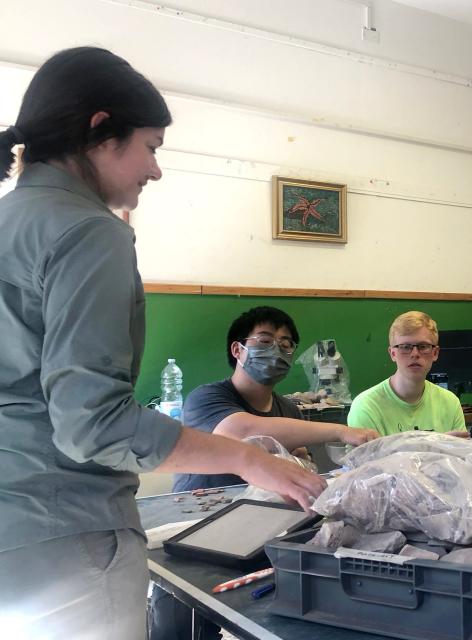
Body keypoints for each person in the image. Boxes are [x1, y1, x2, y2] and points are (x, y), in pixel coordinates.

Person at [0, 47, 326, 640]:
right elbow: (94, 426)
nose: (155, 171)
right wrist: (251, 460)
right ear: (101, 128)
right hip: (64, 540)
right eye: (150, 147)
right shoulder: (88, 232)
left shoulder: (10, 220)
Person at [172, 306, 379, 492]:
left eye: (286, 344)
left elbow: (298, 467)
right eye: (265, 341)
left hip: (262, 514)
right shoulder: (205, 398)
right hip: (199, 511)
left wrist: (299, 462)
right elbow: (241, 432)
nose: (276, 350)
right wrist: (340, 431)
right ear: (237, 350)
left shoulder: (289, 410)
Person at [348, 311, 467, 436]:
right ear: (392, 354)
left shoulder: (450, 402)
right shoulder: (366, 406)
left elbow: (462, 453)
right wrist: (438, 446)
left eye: (423, 346)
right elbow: (365, 456)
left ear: (435, 353)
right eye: (405, 347)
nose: (415, 353)